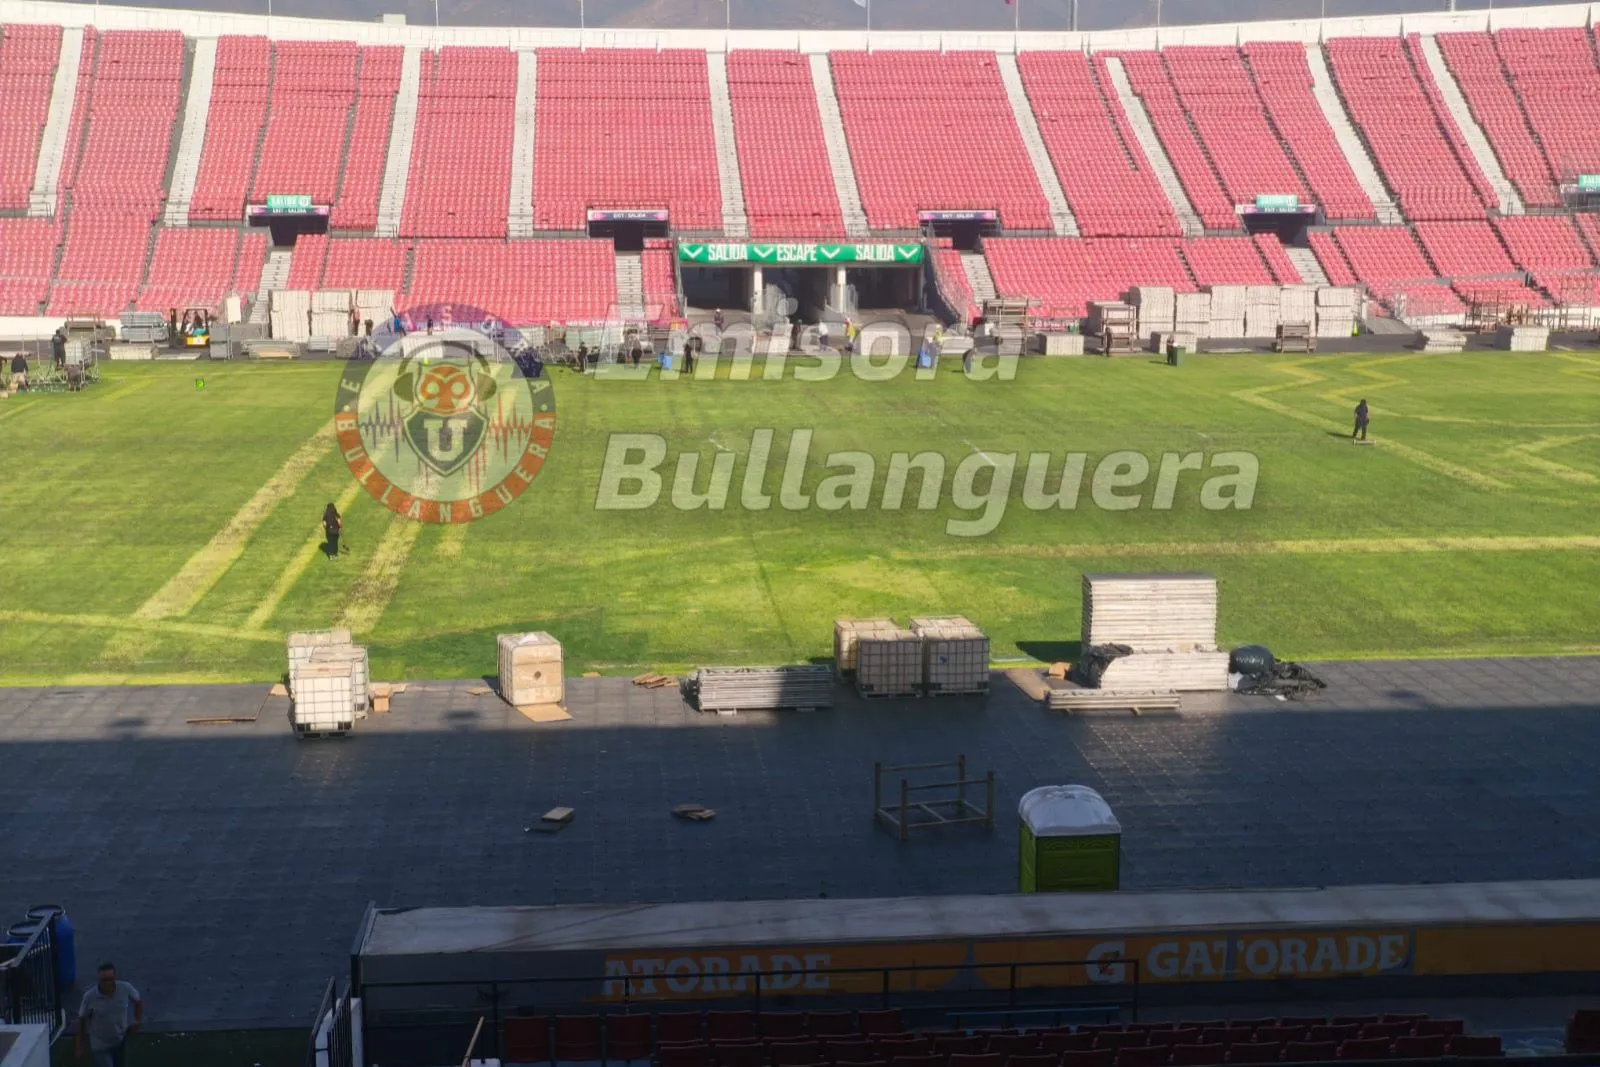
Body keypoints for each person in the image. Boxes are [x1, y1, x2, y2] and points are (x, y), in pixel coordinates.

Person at [76, 962, 142, 1067]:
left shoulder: (125, 988)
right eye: (104, 980)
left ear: (114, 978)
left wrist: (138, 1021)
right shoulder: (90, 997)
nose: (107, 983)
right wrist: (80, 1046)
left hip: (120, 1040)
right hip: (100, 1045)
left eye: (110, 979)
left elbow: (137, 1000)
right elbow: (82, 1019)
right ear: (99, 980)